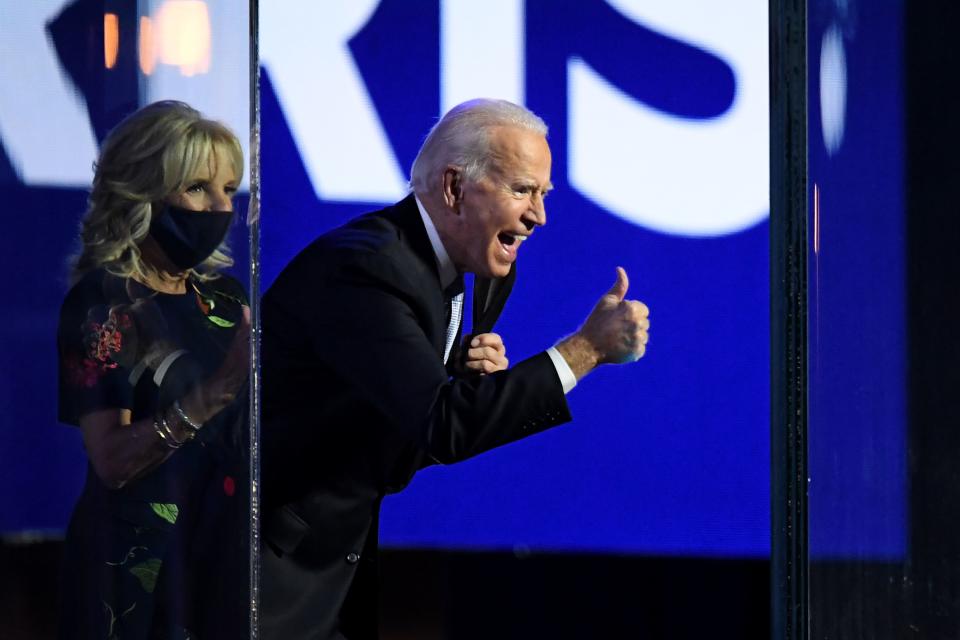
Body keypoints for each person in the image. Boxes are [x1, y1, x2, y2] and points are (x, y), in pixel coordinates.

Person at [260, 98, 650, 639]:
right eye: (521, 190)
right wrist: (586, 350)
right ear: (453, 188)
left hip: (335, 559)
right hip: (266, 563)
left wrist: (465, 387)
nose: (538, 216)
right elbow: (442, 425)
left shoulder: (483, 272)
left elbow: (409, 430)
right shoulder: (367, 269)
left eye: (542, 194)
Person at [56, 101, 251, 639]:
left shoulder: (226, 302)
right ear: (143, 191)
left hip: (219, 558)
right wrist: (216, 392)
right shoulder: (102, 305)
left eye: (229, 190)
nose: (219, 208)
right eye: (196, 188)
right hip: (133, 569)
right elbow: (112, 460)